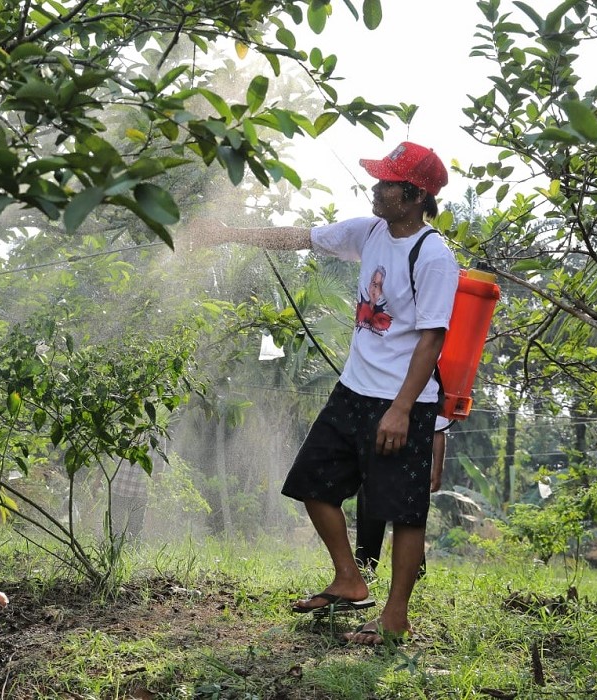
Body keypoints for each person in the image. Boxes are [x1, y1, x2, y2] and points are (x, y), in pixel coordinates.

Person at [187, 141, 458, 646]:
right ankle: (349, 579)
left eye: (387, 183)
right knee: (311, 482)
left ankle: (395, 618)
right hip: (353, 391)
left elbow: (433, 336)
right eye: (377, 180)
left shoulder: (434, 255)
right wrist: (228, 235)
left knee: (402, 511)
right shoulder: (370, 230)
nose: (376, 189)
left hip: (403, 401)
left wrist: (401, 409)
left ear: (416, 195)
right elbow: (300, 237)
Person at [355, 416, 452, 580]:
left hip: (412, 463)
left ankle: (414, 577)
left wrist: (437, 470)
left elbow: (439, 429)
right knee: (370, 518)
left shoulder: (432, 393)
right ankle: (364, 571)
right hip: (377, 461)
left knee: (410, 521)